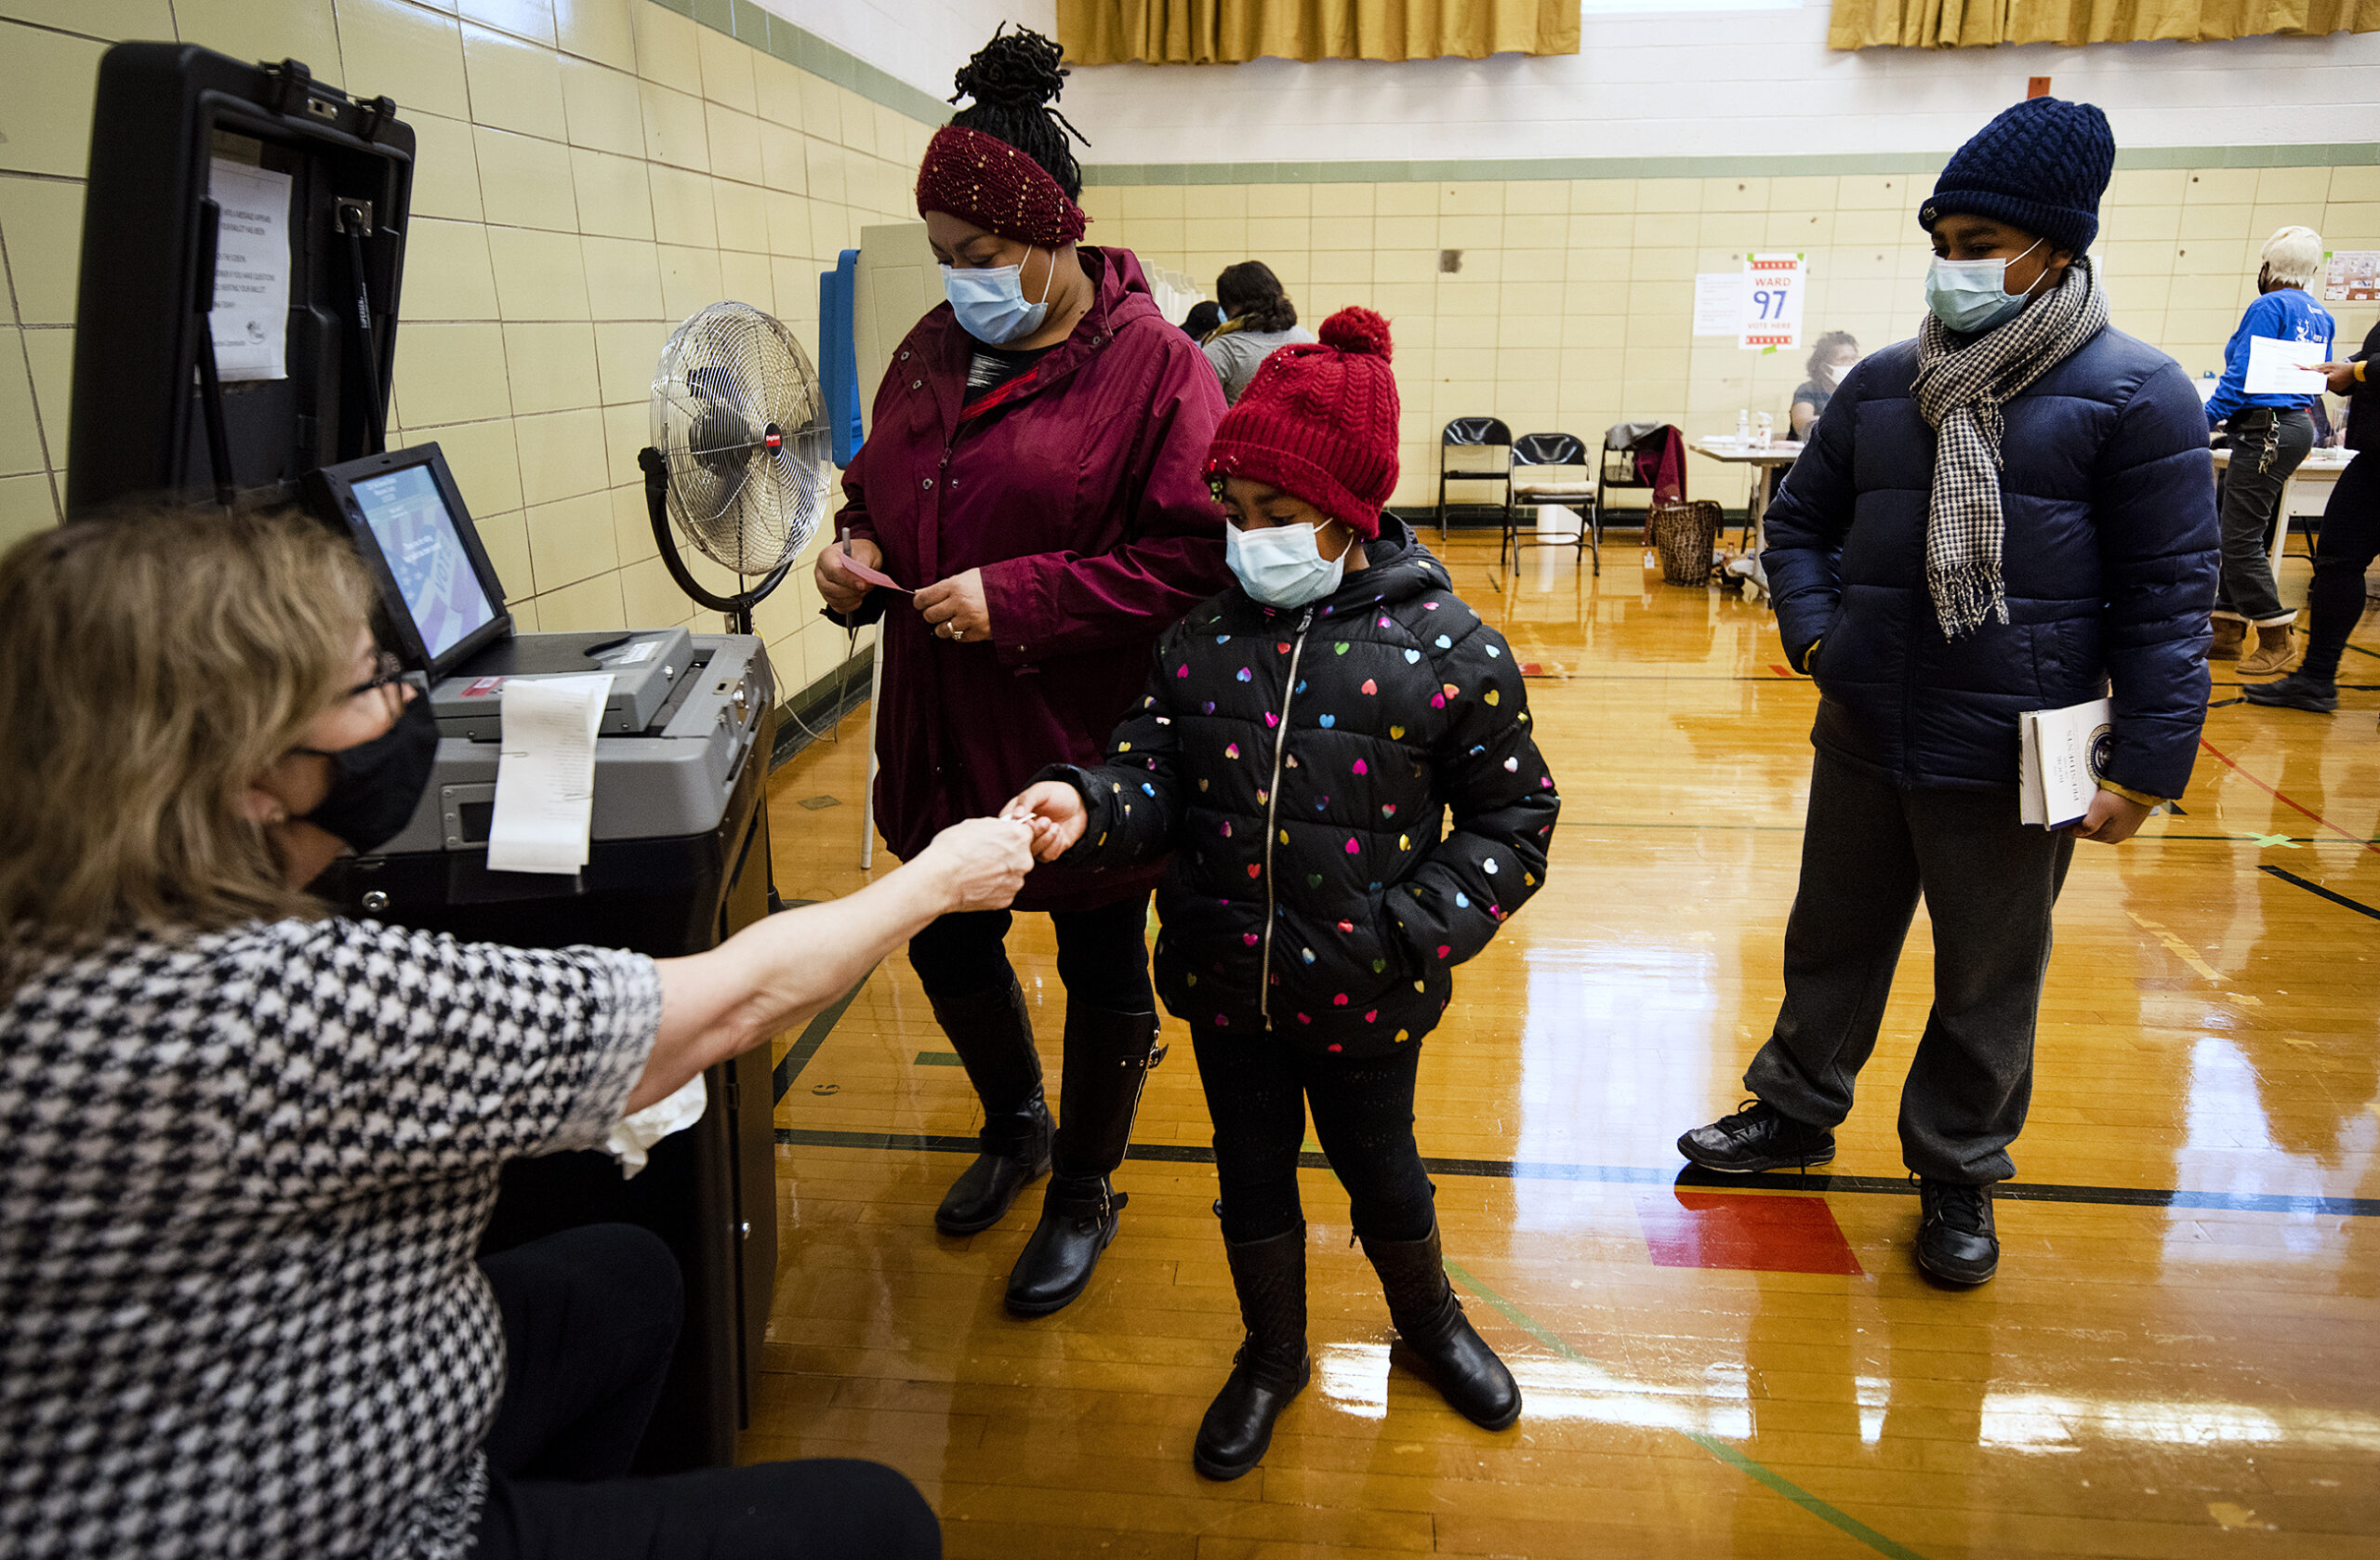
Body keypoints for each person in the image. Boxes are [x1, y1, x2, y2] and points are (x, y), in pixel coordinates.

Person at [0, 506, 1036, 1559]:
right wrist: (938, 877)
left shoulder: (65, 924)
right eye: (368, 684)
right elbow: (726, 1005)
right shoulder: (256, 1009)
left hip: (260, 1383)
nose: (409, 701)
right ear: (249, 771)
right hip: (307, 1519)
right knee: (875, 1523)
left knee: (623, 1282)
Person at [1002, 308, 1561, 1479]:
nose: (1249, 539)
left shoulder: (1449, 649)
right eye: (1236, 515)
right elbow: (1153, 769)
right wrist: (1090, 801)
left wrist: (1408, 929)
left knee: (1383, 1169)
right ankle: (1271, 1353)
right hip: (1222, 982)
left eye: (1278, 516)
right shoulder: (1198, 642)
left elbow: (1515, 819)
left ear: (1348, 515)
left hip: (1368, 991)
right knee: (1246, 1172)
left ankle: (1430, 1323)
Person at [1676, 98, 2218, 1287]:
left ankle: (1958, 1168)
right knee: (1831, 938)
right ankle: (1795, 1109)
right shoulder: (1882, 386)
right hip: (1868, 725)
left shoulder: (2140, 397)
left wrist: (2146, 764)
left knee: (1988, 970)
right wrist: (1823, 641)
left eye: (1980, 245)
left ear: (2055, 250)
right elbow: (1800, 526)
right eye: (1942, 241)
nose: (1954, 267)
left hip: (2025, 744)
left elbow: (2172, 598)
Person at [813, 25, 1232, 1317]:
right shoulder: (929, 351)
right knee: (949, 938)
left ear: (1056, 237)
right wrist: (854, 545)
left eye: (980, 259)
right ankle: (1017, 1123)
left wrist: (1021, 596)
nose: (958, 283)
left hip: (1080, 736)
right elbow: (874, 482)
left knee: (1108, 967)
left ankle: (1087, 1184)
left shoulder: (1155, 369)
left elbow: (1202, 558)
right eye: (942, 259)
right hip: (940, 728)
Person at [2204, 226, 2335, 676]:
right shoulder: (2320, 313)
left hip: (2268, 427)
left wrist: (2201, 419)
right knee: (2236, 528)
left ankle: (2276, 637)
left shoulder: (2268, 305)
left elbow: (2241, 376)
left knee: (2237, 538)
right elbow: (2317, 379)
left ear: (2268, 267)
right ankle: (2225, 631)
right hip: (2295, 425)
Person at [2244, 322, 2380, 719]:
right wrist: (2342, 372)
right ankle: (2317, 679)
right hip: (2374, 458)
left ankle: (2317, 679)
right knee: (2336, 562)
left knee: (2339, 561)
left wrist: (2354, 371)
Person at [1202, 260, 1316, 404]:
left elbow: (1201, 411)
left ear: (1230, 305)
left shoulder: (1222, 351)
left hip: (1242, 427)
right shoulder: (1306, 339)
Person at [1791, 330, 1861, 440]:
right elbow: (1803, 425)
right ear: (1824, 367)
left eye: (1853, 359)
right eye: (1843, 360)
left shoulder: (1858, 393)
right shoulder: (1808, 390)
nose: (1851, 365)